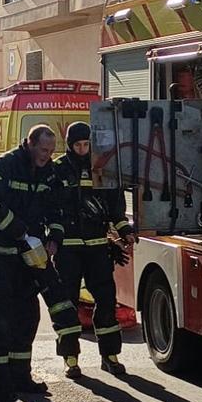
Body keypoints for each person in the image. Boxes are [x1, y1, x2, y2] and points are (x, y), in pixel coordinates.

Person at [0, 123, 81, 402]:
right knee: (1, 320)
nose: (47, 155)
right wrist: (17, 229)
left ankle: (20, 377)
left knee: (27, 317)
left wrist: (55, 236)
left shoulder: (49, 172)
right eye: (43, 150)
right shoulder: (5, 166)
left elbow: (57, 206)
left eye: (51, 151)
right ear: (29, 144)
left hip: (26, 257)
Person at [50, 121, 134, 379]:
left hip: (98, 247)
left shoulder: (102, 168)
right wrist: (53, 236)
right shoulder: (58, 171)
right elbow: (50, 207)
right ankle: (71, 358)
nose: (83, 149)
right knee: (67, 305)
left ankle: (110, 355)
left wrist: (124, 231)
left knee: (107, 302)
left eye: (87, 144)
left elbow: (115, 206)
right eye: (78, 145)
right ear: (70, 145)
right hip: (69, 250)